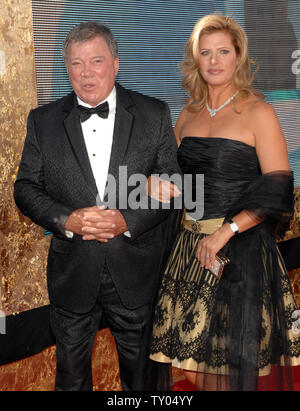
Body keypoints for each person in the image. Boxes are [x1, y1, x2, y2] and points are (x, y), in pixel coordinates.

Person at [14, 22, 181, 391]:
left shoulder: (154, 114)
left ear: (116, 64)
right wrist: (67, 218)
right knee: (71, 380)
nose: (86, 73)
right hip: (72, 274)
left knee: (143, 381)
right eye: (76, 63)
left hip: (136, 274)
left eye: (96, 61)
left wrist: (127, 220)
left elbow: (174, 184)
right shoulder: (42, 121)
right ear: (66, 67)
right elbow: (24, 188)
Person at [149, 14, 300, 391]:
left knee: (227, 363)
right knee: (186, 363)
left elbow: (278, 189)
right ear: (195, 61)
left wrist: (227, 231)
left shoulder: (258, 111)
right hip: (188, 248)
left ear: (238, 57)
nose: (214, 61)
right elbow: (176, 180)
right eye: (205, 53)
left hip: (237, 251)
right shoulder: (186, 114)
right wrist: (152, 180)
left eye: (223, 52)